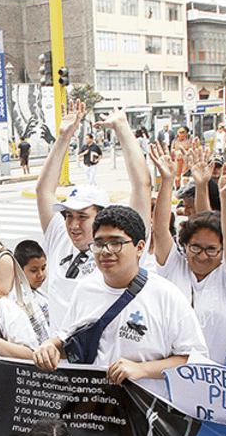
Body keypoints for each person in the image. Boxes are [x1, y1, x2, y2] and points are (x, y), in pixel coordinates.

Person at [33, 205, 208, 398]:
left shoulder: (167, 296)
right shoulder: (84, 290)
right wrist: (50, 346)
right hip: (92, 412)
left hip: (143, 418)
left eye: (116, 243)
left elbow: (193, 361)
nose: (105, 251)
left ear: (139, 247)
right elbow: (69, 339)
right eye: (98, 244)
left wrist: (142, 370)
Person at [36, 100, 151, 331]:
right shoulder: (60, 237)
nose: (72, 225)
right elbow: (44, 191)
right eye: (68, 216)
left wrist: (121, 128)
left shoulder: (120, 249)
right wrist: (63, 138)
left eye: (82, 217)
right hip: (59, 357)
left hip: (102, 359)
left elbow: (142, 186)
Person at [149, 143, 226, 364]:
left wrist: (224, 197)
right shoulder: (174, 266)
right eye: (195, 247)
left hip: (217, 383)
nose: (203, 256)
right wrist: (167, 181)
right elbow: (160, 229)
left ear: (221, 251)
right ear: (184, 245)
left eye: (212, 249)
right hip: (170, 377)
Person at [15, 240, 50, 332]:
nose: (40, 274)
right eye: (34, 270)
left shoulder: (37, 291)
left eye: (43, 268)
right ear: (19, 270)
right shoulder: (22, 298)